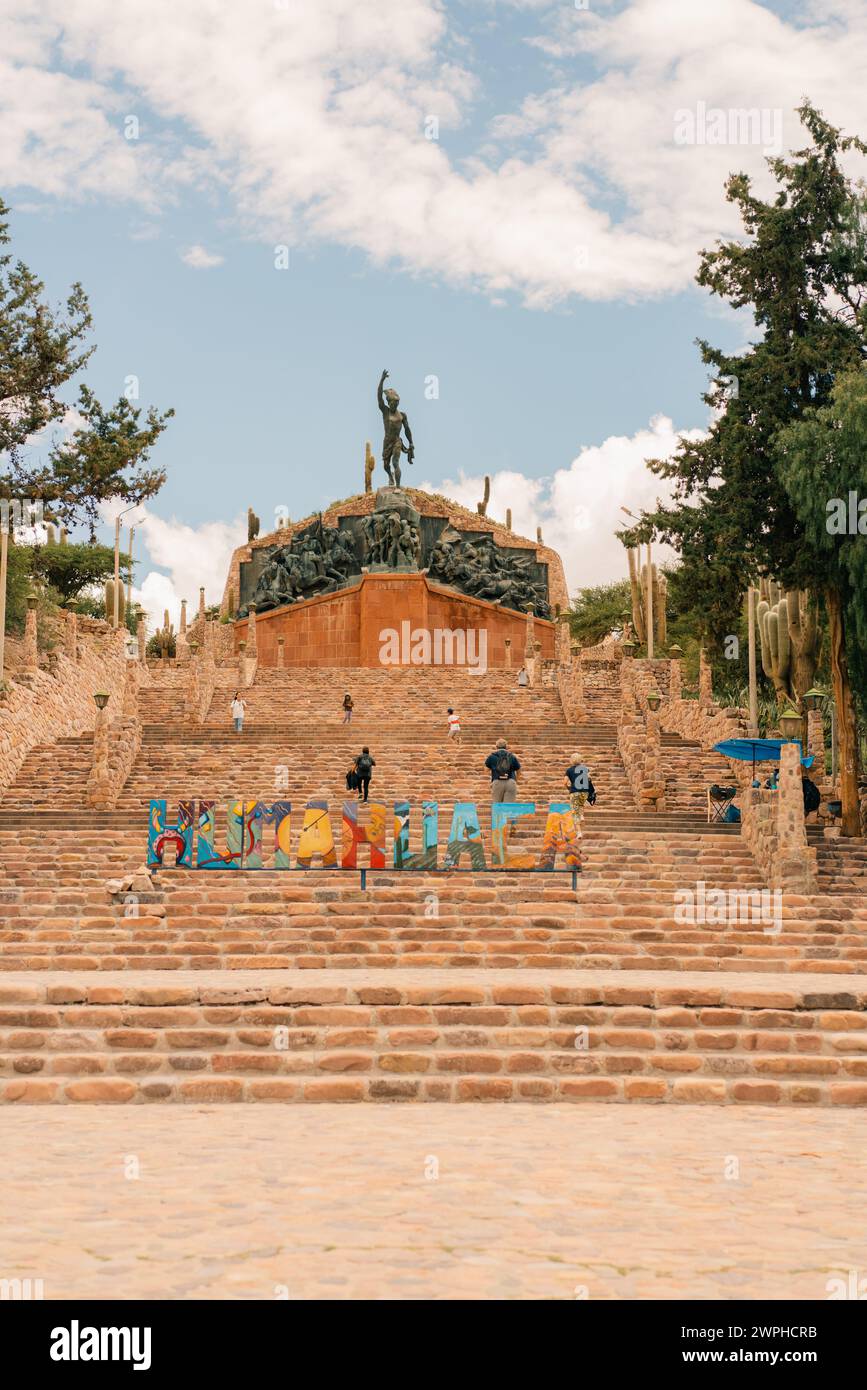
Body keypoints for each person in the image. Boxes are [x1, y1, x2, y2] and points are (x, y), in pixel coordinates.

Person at [485, 738, 521, 803]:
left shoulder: (492, 756)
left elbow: (486, 770)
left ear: (496, 746)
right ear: (506, 746)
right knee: (508, 806)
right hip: (510, 781)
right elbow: (519, 770)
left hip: (497, 782)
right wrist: (516, 780)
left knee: (497, 806)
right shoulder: (511, 756)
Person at [563, 754, 597, 821]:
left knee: (575, 806)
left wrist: (567, 787)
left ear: (571, 760)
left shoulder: (569, 770)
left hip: (575, 791)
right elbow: (589, 778)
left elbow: (565, 782)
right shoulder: (585, 769)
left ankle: (578, 826)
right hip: (584, 791)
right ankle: (581, 815)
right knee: (581, 804)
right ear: (580, 760)